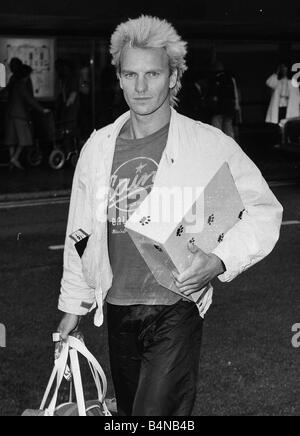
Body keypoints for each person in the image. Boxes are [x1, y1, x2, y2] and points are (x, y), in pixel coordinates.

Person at [57, 15, 283, 416]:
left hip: (176, 305)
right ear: (119, 77)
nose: (141, 87)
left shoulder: (209, 144)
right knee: (129, 414)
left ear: (174, 77)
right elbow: (81, 232)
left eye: (153, 74)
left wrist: (219, 260)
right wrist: (72, 306)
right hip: (116, 305)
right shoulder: (98, 147)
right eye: (130, 74)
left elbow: (264, 210)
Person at [2, 58, 49, 169]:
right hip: (20, 115)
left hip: (10, 113)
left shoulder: (14, 82)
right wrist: (42, 109)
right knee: (24, 139)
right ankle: (14, 158)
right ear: (25, 75)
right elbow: (29, 99)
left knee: (11, 139)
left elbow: (6, 93)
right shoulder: (22, 84)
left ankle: (12, 162)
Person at [206, 60, 240, 139]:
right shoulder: (230, 78)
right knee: (228, 127)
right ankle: (231, 145)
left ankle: (219, 145)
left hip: (218, 107)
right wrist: (236, 106)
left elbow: (212, 94)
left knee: (217, 129)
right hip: (229, 106)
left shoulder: (213, 79)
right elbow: (235, 93)